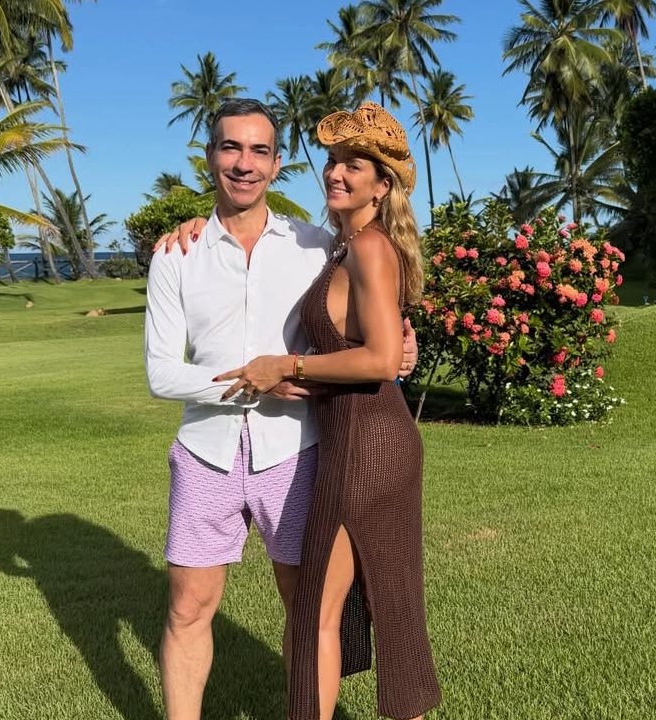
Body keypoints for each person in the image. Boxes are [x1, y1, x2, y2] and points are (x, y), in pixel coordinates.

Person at [144, 98, 416, 720]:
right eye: (230, 148)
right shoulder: (176, 253)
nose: (244, 163)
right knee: (188, 607)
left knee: (308, 608)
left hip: (296, 452)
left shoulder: (316, 245)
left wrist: (405, 340)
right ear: (209, 156)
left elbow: (367, 313)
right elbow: (162, 373)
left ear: (276, 163)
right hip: (205, 455)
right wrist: (256, 381)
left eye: (259, 151)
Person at [217, 103, 441, 720]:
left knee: (324, 607)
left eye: (355, 165)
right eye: (333, 160)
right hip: (359, 436)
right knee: (382, 600)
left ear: (382, 184)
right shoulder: (346, 247)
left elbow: (379, 360)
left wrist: (286, 366)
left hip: (366, 447)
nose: (337, 173)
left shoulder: (368, 248)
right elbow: (371, 350)